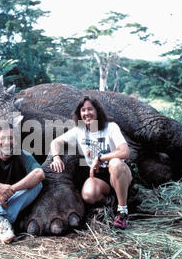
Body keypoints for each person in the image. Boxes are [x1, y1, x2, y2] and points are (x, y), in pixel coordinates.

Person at [49, 96, 132, 229]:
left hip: (118, 172)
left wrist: (100, 158)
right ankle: (113, 201)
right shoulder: (79, 131)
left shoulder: (111, 127)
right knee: (88, 195)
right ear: (79, 114)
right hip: (98, 175)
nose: (86, 113)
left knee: (115, 163)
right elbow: (55, 142)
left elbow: (125, 152)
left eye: (90, 109)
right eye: (83, 110)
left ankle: (122, 212)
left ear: (97, 111)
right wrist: (56, 157)